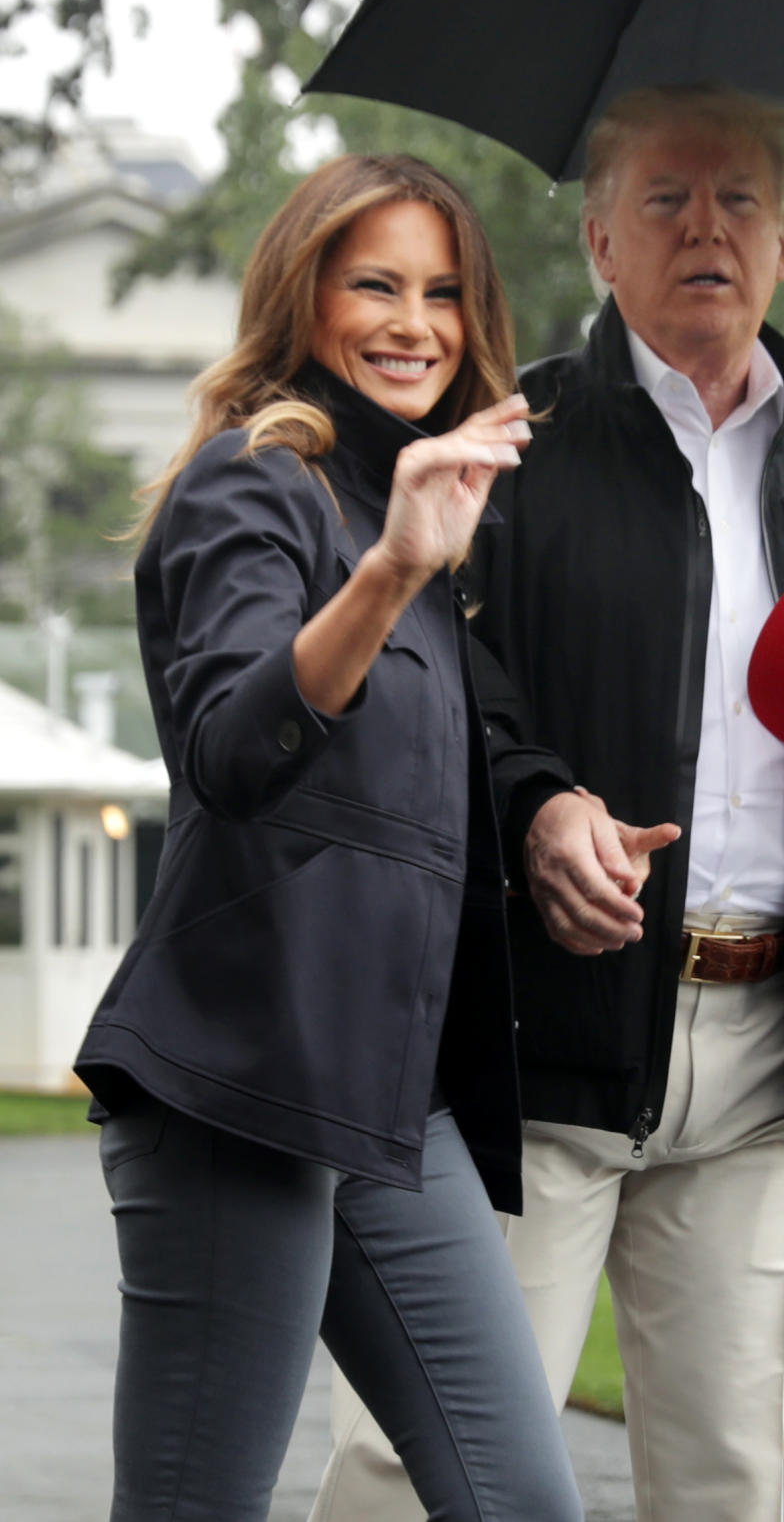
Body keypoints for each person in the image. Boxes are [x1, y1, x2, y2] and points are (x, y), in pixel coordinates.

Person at [310, 87, 784, 1522]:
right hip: (528, 1048)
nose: (703, 227)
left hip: (772, 1059)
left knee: (720, 1484)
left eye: (739, 201)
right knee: (416, 1466)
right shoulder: (505, 453)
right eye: (663, 198)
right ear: (597, 237)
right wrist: (532, 813)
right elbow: (424, 685)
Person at [74, 153, 584, 1522]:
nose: (414, 323)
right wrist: (390, 571)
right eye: (376, 285)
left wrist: (559, 820)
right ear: (303, 297)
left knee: (525, 1501)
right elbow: (236, 748)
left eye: (442, 292)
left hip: (381, 1101)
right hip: (239, 1086)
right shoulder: (253, 488)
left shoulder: (410, 518)